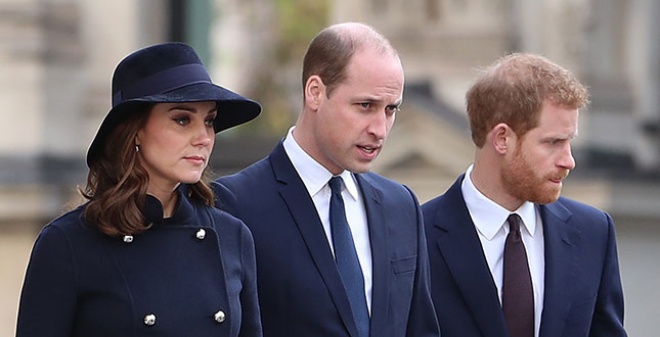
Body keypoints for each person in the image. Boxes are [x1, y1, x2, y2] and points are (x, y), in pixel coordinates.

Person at [16, 42, 263, 337]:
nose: (204, 137)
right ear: (135, 132)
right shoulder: (68, 244)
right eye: (182, 119)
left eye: (209, 121)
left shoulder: (232, 236)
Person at [212, 22, 440, 337]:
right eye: (365, 106)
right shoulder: (235, 204)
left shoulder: (401, 206)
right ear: (315, 92)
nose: (380, 128)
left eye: (390, 110)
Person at [422, 53, 627, 337]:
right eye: (553, 142)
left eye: (570, 141)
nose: (569, 160)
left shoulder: (593, 232)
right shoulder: (415, 236)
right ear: (502, 138)